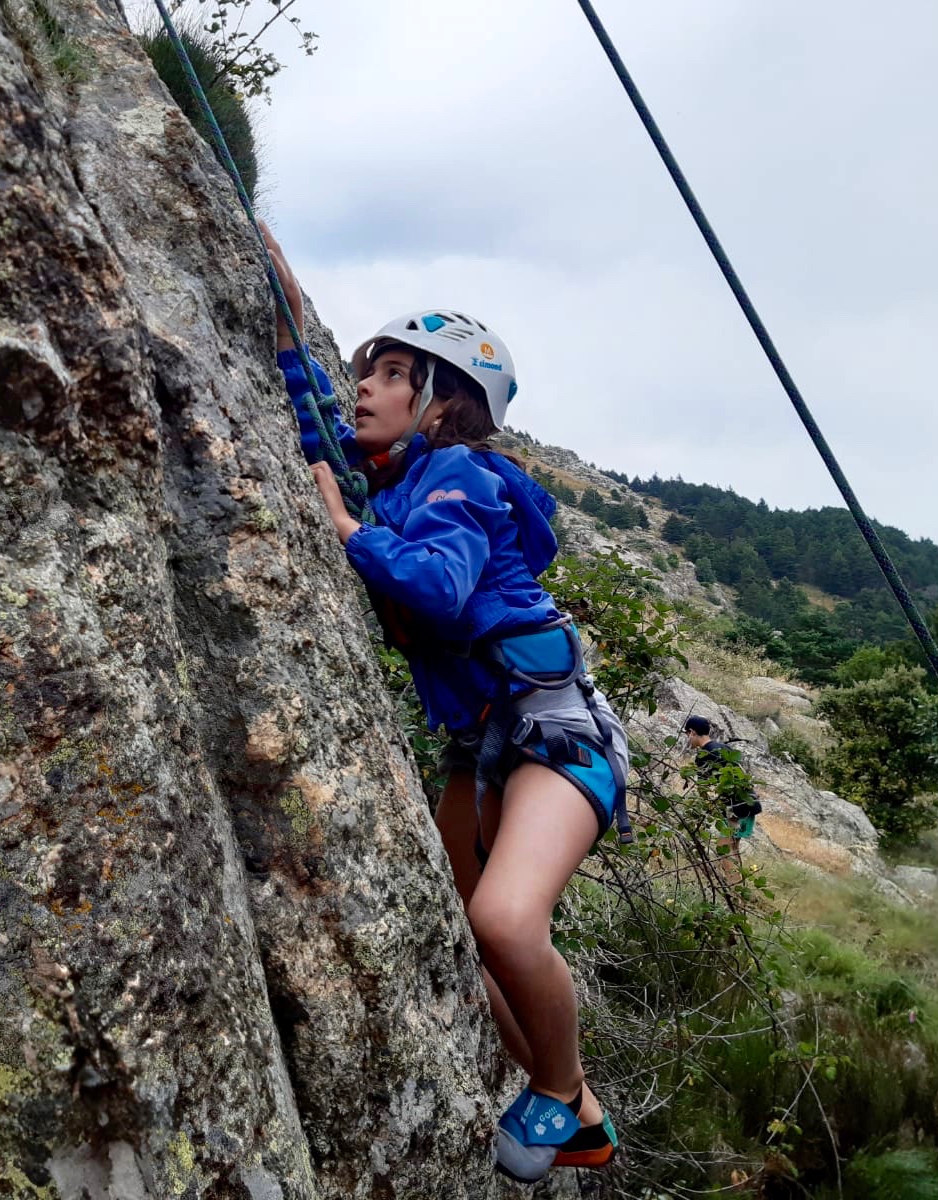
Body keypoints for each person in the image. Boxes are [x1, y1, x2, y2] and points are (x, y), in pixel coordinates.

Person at [260, 225, 625, 1182]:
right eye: (366, 371)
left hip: (552, 736)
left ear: (436, 401)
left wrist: (345, 530)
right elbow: (317, 437)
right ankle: (578, 1109)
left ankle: (554, 1093)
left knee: (505, 923)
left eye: (386, 374)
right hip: (483, 746)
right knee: (471, 941)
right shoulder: (407, 478)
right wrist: (286, 308)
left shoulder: (457, 479)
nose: (365, 387)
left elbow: (436, 588)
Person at [683, 715, 759, 880]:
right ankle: (741, 888)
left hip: (736, 806)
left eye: (687, 734)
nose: (688, 740)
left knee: (724, 849)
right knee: (733, 847)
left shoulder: (703, 755)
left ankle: (734, 890)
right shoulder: (725, 748)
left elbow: (703, 790)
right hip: (750, 803)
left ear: (692, 732)